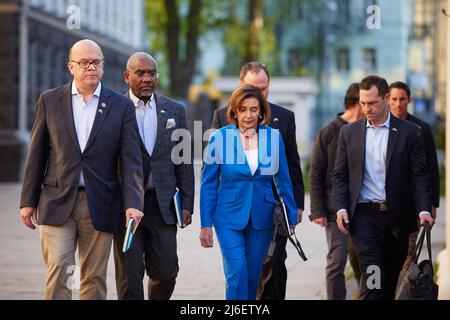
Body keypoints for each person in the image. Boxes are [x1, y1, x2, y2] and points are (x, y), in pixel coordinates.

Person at [19, 39, 144, 300]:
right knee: (59, 270)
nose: (91, 67)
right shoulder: (50, 100)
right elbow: (37, 153)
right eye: (85, 62)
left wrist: (133, 202)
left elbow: (131, 159)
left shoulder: (120, 106)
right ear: (71, 66)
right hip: (57, 200)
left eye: (96, 62)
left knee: (94, 277)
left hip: (100, 201)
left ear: (103, 66)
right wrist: (27, 201)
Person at [332, 75, 434, 300]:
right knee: (373, 277)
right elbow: (340, 176)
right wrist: (341, 208)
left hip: (397, 219)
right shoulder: (349, 134)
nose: (366, 109)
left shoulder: (409, 132)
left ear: (386, 98)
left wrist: (424, 209)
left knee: (388, 283)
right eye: (363, 103)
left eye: (372, 103)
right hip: (364, 218)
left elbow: (419, 176)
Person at [210, 62, 304, 299]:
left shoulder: (283, 118)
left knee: (268, 268)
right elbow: (210, 175)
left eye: (263, 88)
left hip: (269, 210)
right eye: (253, 88)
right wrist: (204, 219)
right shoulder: (221, 118)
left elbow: (290, 168)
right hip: (232, 209)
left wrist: (294, 208)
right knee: (237, 273)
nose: (258, 94)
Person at [115, 52, 195, 300]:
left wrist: (188, 203)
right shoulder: (114, 109)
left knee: (167, 272)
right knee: (130, 277)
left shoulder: (174, 110)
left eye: (152, 73)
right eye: (140, 73)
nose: (147, 78)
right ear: (127, 76)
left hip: (163, 206)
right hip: (127, 206)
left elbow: (183, 159)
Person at [309, 83, 363, 300]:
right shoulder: (328, 132)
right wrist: (317, 210)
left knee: (367, 261)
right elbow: (316, 174)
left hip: (363, 208)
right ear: (359, 103)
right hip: (333, 211)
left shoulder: (367, 129)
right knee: (336, 263)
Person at [388, 81, 440, 262]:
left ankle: (403, 290)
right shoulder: (381, 127)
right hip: (385, 203)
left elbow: (431, 167)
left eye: (402, 99)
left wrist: (432, 203)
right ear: (387, 100)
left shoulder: (421, 128)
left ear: (409, 100)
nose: (398, 103)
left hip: (413, 202)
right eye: (394, 99)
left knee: (408, 254)